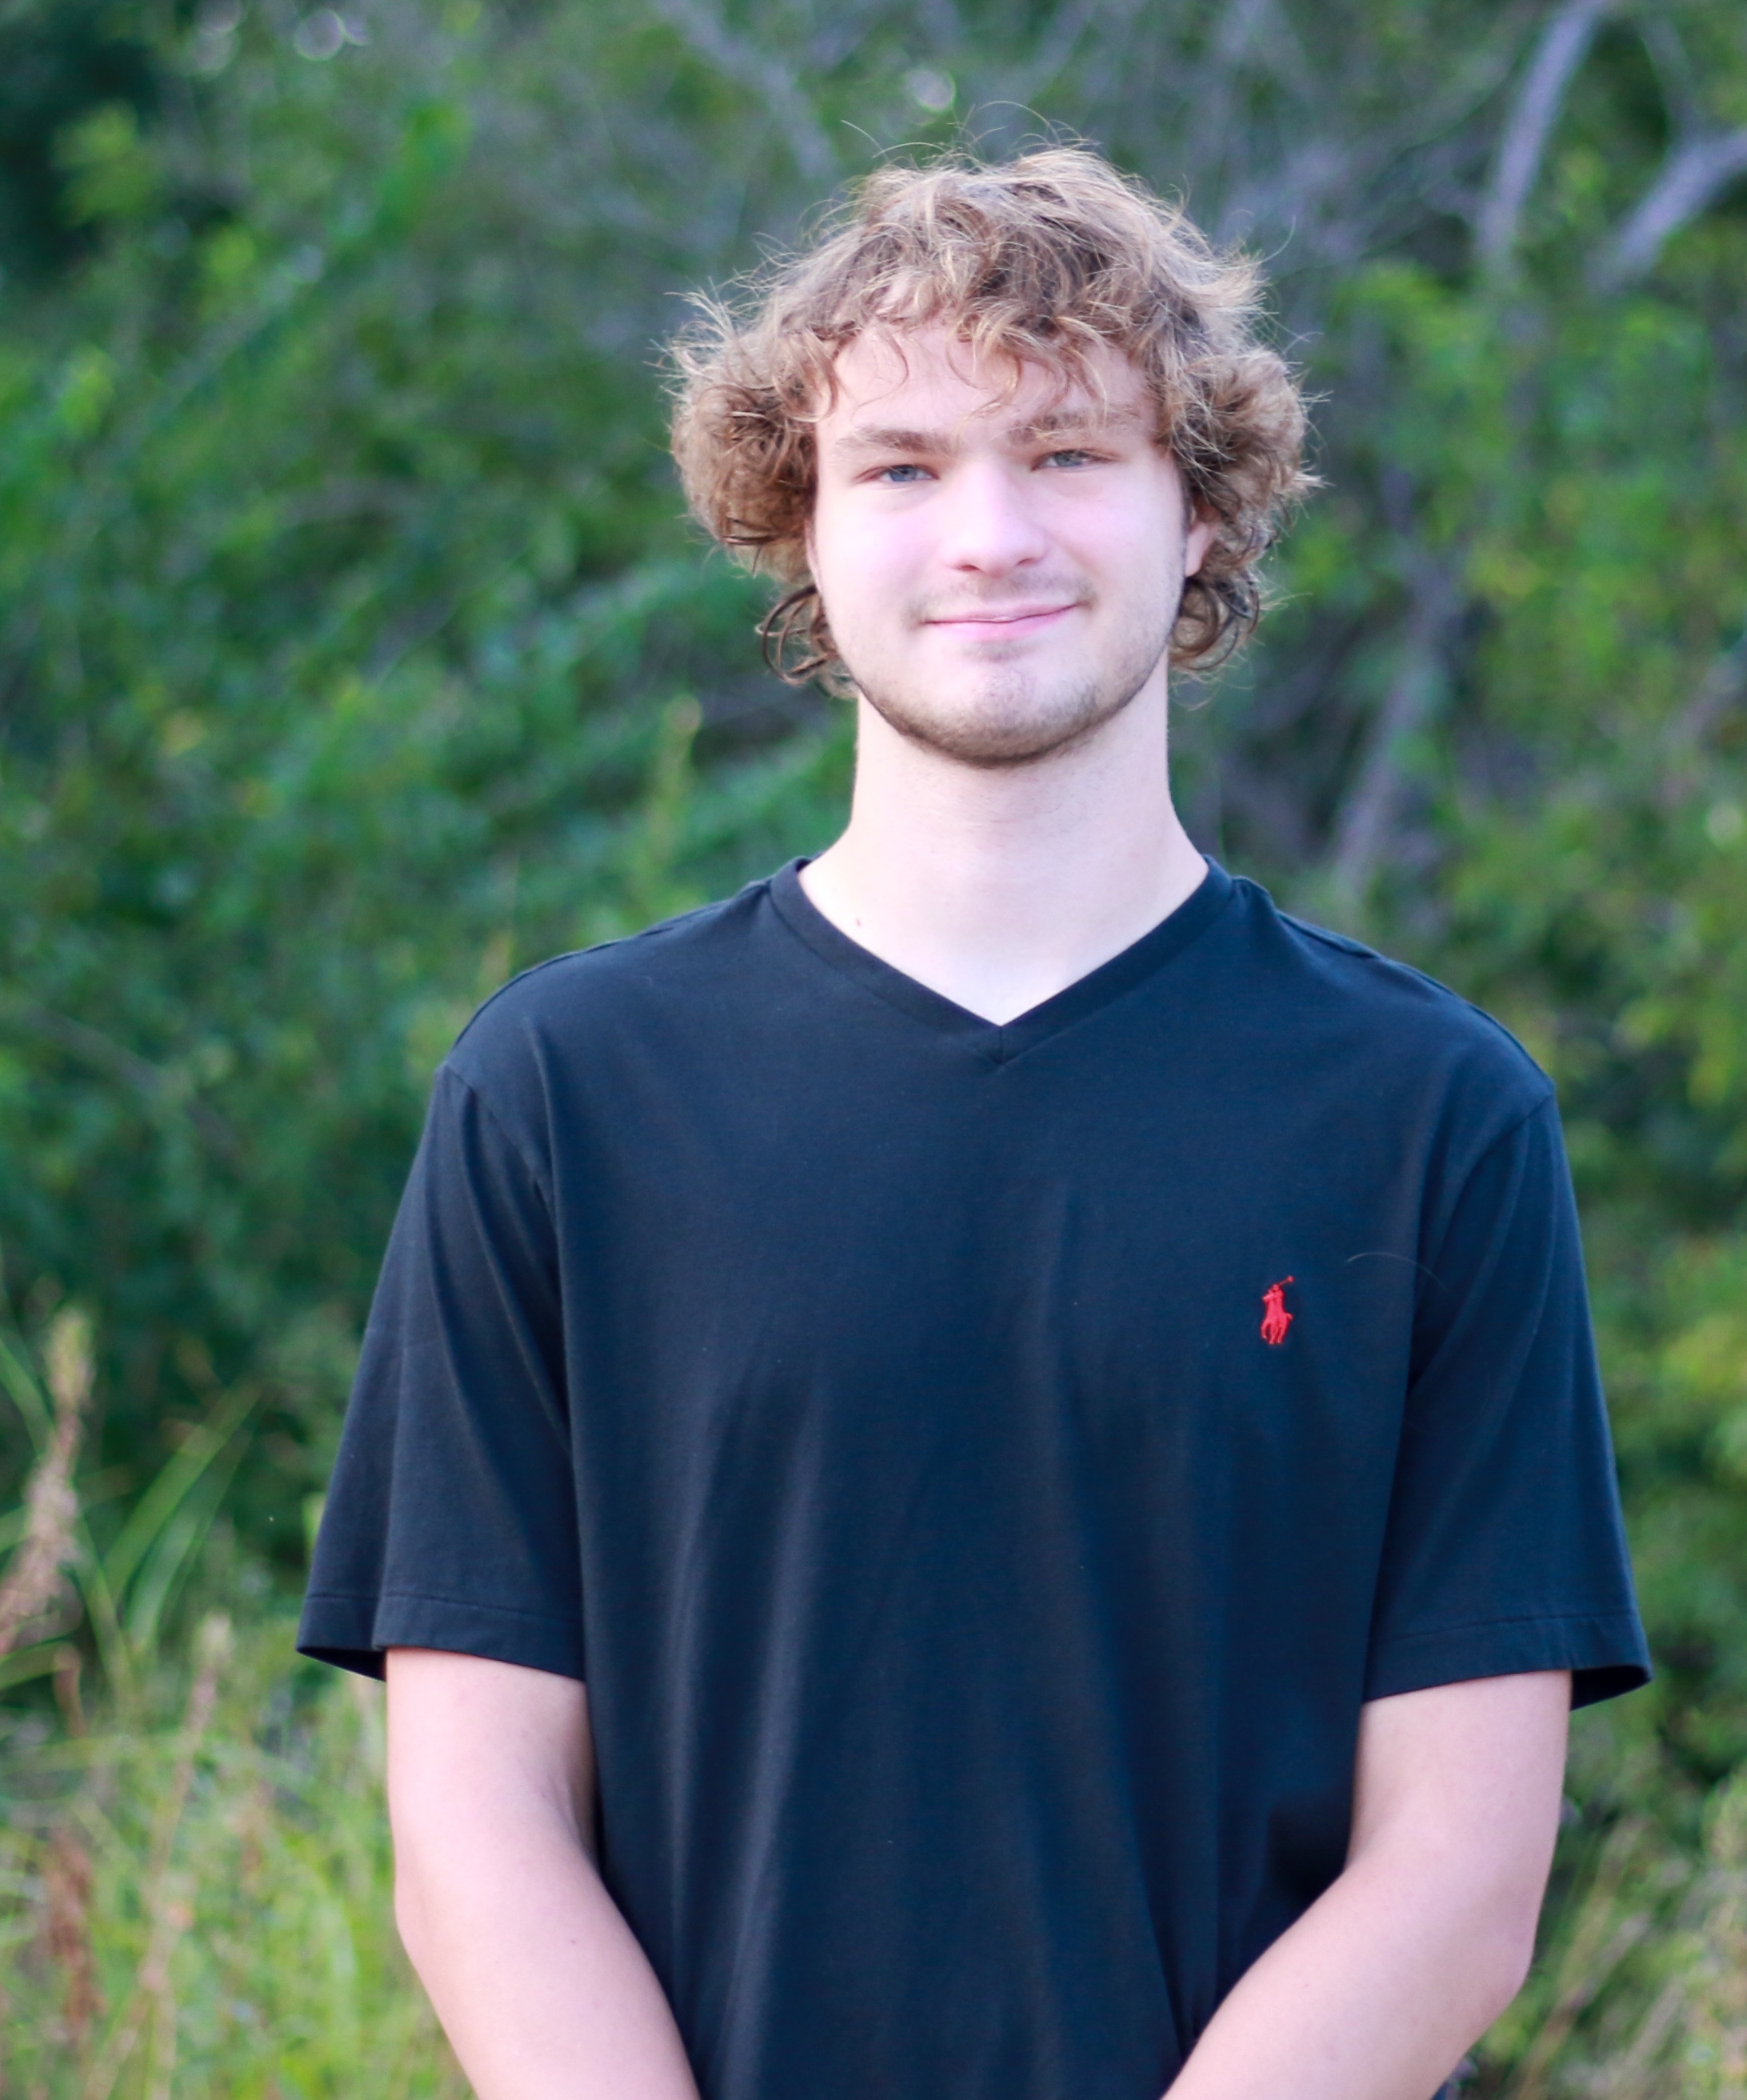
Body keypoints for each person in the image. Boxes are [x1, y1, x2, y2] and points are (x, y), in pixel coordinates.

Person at [298, 147, 1648, 2100]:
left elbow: (1457, 1873)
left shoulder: (1431, 1118)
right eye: (902, 467)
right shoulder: (567, 1096)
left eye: (1070, 454)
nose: (989, 534)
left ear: (1202, 511)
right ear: (801, 524)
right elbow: (476, 1824)